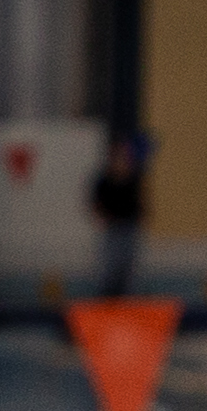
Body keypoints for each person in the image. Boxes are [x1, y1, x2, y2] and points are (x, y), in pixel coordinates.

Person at [86, 127, 148, 299]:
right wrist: (101, 217)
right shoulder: (104, 180)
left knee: (128, 272)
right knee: (109, 270)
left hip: (129, 228)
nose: (121, 161)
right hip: (112, 229)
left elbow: (141, 202)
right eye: (117, 157)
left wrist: (141, 217)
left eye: (124, 157)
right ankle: (106, 303)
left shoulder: (133, 179)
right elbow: (95, 204)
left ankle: (127, 305)